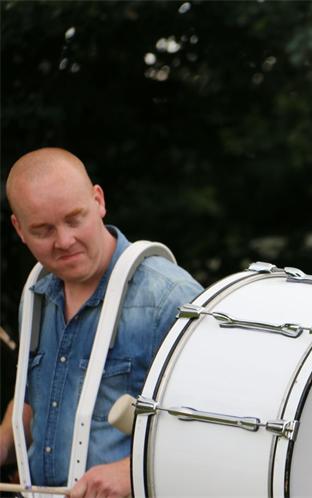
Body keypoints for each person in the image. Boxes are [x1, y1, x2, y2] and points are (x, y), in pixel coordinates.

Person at [0, 148, 203, 498]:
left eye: (74, 219)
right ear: (19, 228)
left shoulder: (170, 297)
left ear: (98, 201)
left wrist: (130, 473)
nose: (64, 241)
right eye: (43, 230)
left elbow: (218, 427)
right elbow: (36, 398)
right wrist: (6, 440)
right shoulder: (37, 294)